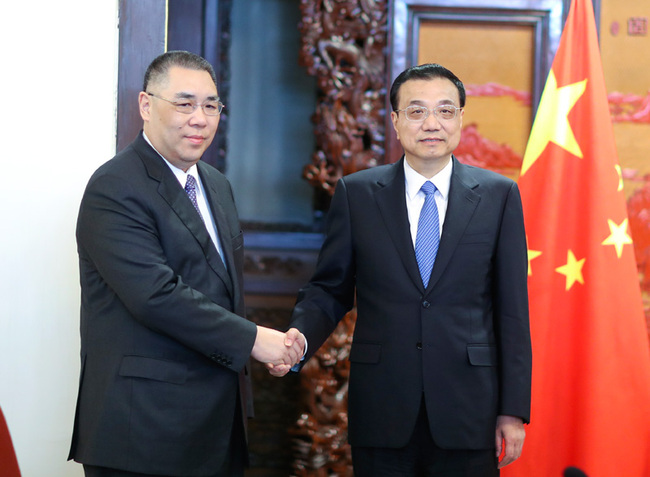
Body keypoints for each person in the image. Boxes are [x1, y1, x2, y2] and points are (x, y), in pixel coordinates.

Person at [279, 63, 532, 476]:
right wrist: (299, 338)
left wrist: (513, 410)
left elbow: (512, 312)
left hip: (469, 409)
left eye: (445, 111)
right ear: (395, 122)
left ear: (461, 120)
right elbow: (330, 289)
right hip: (382, 407)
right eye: (416, 111)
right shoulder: (357, 194)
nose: (432, 123)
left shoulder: (499, 196)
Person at [68, 50, 305, 477]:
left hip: (215, 426)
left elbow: (220, 289)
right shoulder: (115, 186)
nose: (200, 118)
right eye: (184, 103)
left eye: (211, 105)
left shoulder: (215, 184)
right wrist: (253, 339)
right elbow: (154, 296)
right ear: (145, 104)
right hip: (142, 430)